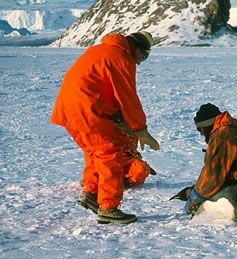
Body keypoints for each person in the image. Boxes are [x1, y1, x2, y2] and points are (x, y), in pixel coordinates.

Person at [50, 31, 160, 224]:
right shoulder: (122, 58)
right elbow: (128, 98)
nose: (141, 61)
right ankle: (109, 208)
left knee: (95, 151)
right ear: (136, 49)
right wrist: (142, 131)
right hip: (87, 111)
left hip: (68, 109)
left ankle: (91, 193)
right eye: (144, 55)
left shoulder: (99, 50)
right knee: (109, 154)